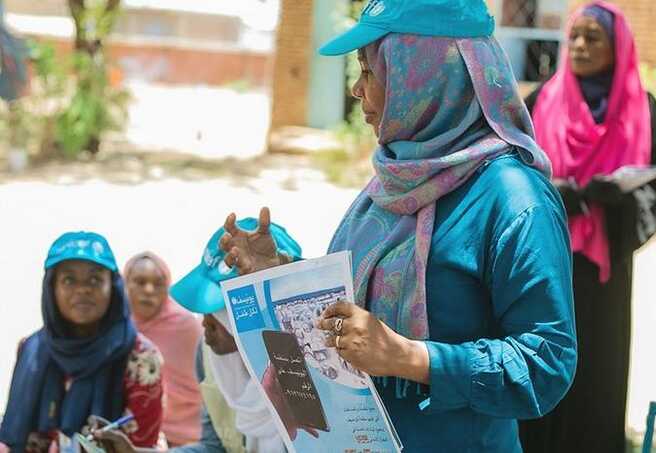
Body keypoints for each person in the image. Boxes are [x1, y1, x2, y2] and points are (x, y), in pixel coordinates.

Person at [218, 1, 578, 451]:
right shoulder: (395, 180)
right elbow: (360, 308)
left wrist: (410, 357)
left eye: (370, 71)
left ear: (422, 75)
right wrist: (280, 273)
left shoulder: (513, 198)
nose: (355, 89)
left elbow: (546, 365)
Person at [519, 2, 656, 452]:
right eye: (575, 37)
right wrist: (567, 195)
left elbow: (654, 186)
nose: (581, 45)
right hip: (543, 264)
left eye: (594, 37)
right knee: (539, 361)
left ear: (618, 46)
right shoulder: (541, 100)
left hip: (603, 270)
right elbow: (517, 175)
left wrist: (616, 200)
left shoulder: (642, 109)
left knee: (597, 368)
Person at [94, 217, 303, 453]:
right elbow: (214, 447)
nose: (205, 324)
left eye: (219, 311)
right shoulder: (208, 356)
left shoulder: (312, 367)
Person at [0, 231, 163, 452]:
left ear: (113, 287)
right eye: (69, 279)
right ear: (52, 288)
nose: (83, 289)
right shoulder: (31, 349)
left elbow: (143, 445)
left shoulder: (141, 358)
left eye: (95, 279)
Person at [124, 252, 203, 446]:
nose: (149, 290)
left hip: (188, 439)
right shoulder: (115, 331)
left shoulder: (186, 327)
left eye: (158, 283)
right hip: (131, 436)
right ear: (125, 285)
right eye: (140, 282)